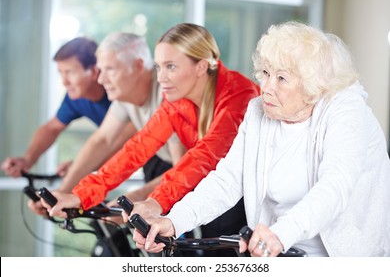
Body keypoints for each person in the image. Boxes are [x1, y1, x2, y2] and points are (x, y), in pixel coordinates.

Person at [132, 21, 390, 257]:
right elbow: (227, 180)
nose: (266, 87)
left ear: (313, 85)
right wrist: (174, 221)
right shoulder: (259, 110)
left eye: (281, 78)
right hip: (278, 253)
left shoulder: (346, 110)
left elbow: (336, 184)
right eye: (265, 73)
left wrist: (281, 233)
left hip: (345, 258)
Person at [41, 23, 260, 256]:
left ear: (201, 67)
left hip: (251, 201)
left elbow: (205, 156)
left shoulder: (239, 95)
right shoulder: (176, 100)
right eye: (158, 67)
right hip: (214, 195)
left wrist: (155, 202)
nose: (161, 77)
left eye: (171, 66)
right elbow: (137, 148)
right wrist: (81, 195)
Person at [30, 32, 185, 217]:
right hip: (176, 170)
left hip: (210, 175)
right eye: (101, 70)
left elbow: (183, 167)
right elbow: (101, 141)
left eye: (110, 69)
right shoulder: (125, 96)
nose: (101, 80)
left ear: (138, 66)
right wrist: (62, 194)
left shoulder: (168, 95)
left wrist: (137, 197)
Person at [1, 37, 110, 178]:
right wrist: (27, 160)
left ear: (94, 72)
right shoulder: (76, 98)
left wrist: (81, 166)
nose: (64, 82)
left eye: (70, 72)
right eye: (61, 73)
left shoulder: (119, 94)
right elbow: (51, 128)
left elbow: (117, 143)